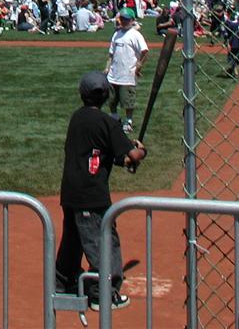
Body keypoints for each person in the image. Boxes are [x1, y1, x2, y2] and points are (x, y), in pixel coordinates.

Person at [55, 71, 147, 312]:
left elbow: (104, 153)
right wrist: (140, 151)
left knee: (73, 241)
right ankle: (102, 295)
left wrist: (125, 160)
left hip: (70, 192)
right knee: (103, 242)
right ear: (106, 95)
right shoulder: (107, 123)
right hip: (91, 195)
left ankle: (63, 283)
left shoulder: (76, 118)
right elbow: (131, 155)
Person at [105, 8, 149, 133]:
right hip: (114, 74)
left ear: (132, 20)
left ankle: (128, 121)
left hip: (127, 75)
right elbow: (111, 54)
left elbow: (145, 51)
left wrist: (139, 66)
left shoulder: (135, 35)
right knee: (112, 99)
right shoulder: (116, 34)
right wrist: (107, 67)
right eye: (122, 19)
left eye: (126, 19)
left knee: (127, 100)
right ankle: (114, 116)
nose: (123, 21)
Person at [222, 12, 239, 78]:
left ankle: (232, 71)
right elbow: (226, 35)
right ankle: (235, 72)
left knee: (235, 59)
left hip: (235, 43)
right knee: (234, 58)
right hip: (235, 43)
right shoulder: (233, 23)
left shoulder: (233, 23)